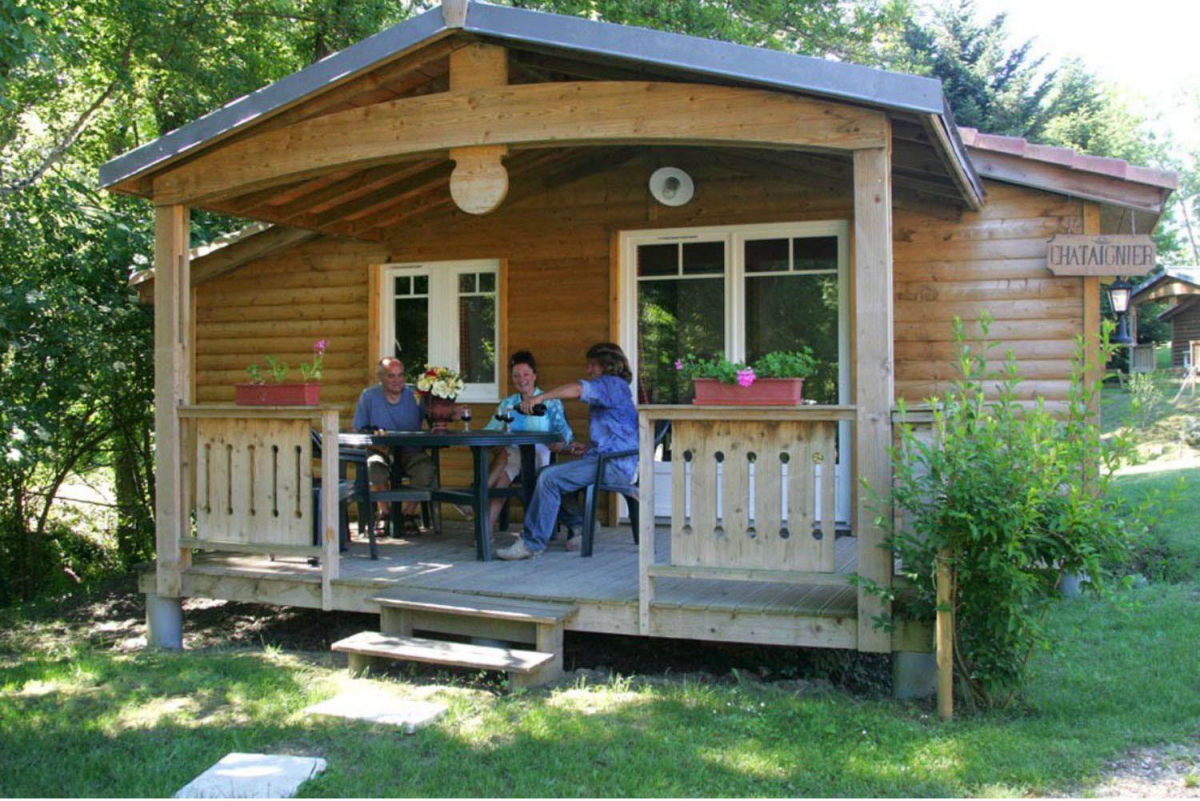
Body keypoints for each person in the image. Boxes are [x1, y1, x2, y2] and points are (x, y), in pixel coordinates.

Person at [496, 343, 638, 560]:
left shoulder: (611, 384)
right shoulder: (614, 387)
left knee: (549, 477)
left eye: (592, 365)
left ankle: (531, 544)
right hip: (606, 459)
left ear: (608, 365)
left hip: (613, 465)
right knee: (546, 475)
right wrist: (588, 447)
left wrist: (541, 398)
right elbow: (613, 434)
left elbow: (578, 389)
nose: (588, 370)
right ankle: (581, 525)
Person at [483, 350, 574, 533]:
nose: (521, 379)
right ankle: (487, 529)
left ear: (534, 376)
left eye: (526, 374)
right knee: (504, 472)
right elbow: (490, 429)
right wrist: (496, 441)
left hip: (538, 455)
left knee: (505, 461)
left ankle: (478, 501)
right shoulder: (508, 403)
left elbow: (565, 432)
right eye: (516, 375)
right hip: (513, 455)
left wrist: (561, 442)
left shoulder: (550, 401)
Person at [352, 357, 436, 532]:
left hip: (410, 452)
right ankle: (385, 513)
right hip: (379, 451)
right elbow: (359, 431)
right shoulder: (369, 396)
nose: (397, 380)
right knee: (373, 467)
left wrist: (451, 412)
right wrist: (376, 447)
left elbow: (434, 417)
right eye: (391, 376)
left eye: (400, 375)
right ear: (380, 377)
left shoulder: (415, 396)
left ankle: (408, 514)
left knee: (426, 469)